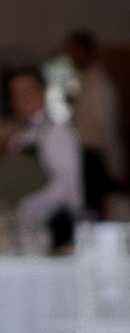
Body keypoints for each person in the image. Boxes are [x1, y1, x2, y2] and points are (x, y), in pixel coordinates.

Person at [2, 65, 80, 249]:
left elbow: (66, 186)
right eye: (17, 94)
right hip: (25, 228)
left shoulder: (57, 133)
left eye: (29, 91)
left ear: (42, 91)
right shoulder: (19, 136)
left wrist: (24, 207)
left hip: (55, 226)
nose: (24, 98)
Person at [62, 29, 125, 214]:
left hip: (97, 158)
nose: (71, 56)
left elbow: (107, 126)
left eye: (74, 51)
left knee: (99, 212)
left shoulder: (99, 84)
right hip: (86, 155)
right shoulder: (84, 80)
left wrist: (116, 166)